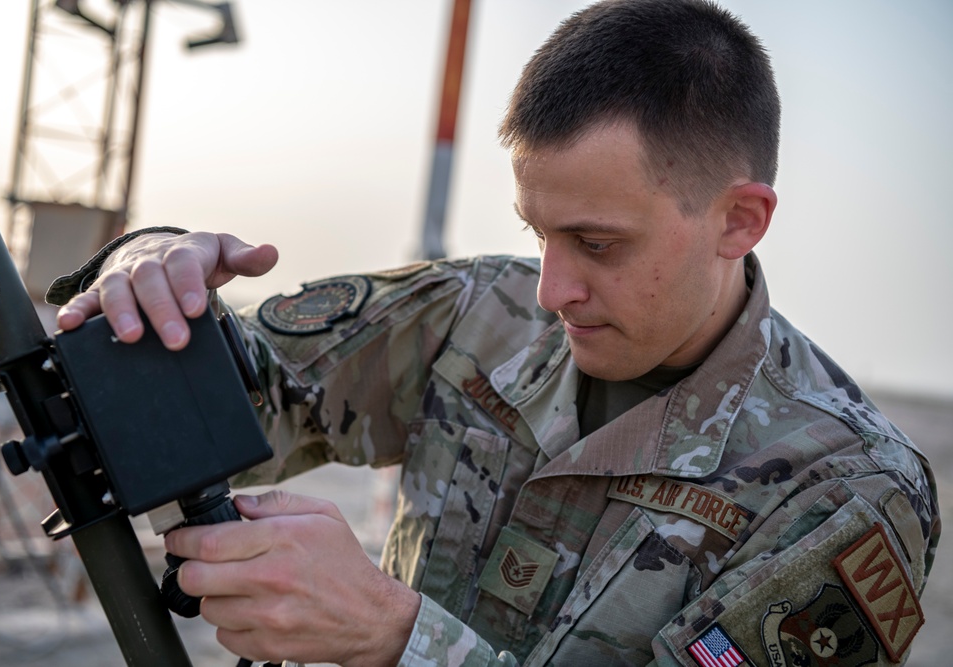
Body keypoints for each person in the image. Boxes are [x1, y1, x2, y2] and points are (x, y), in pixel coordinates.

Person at [48, 1, 940, 665]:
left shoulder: (848, 490)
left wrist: (395, 636)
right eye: (536, 233)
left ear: (740, 220)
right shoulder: (473, 312)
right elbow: (237, 403)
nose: (552, 289)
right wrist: (150, 273)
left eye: (597, 243)